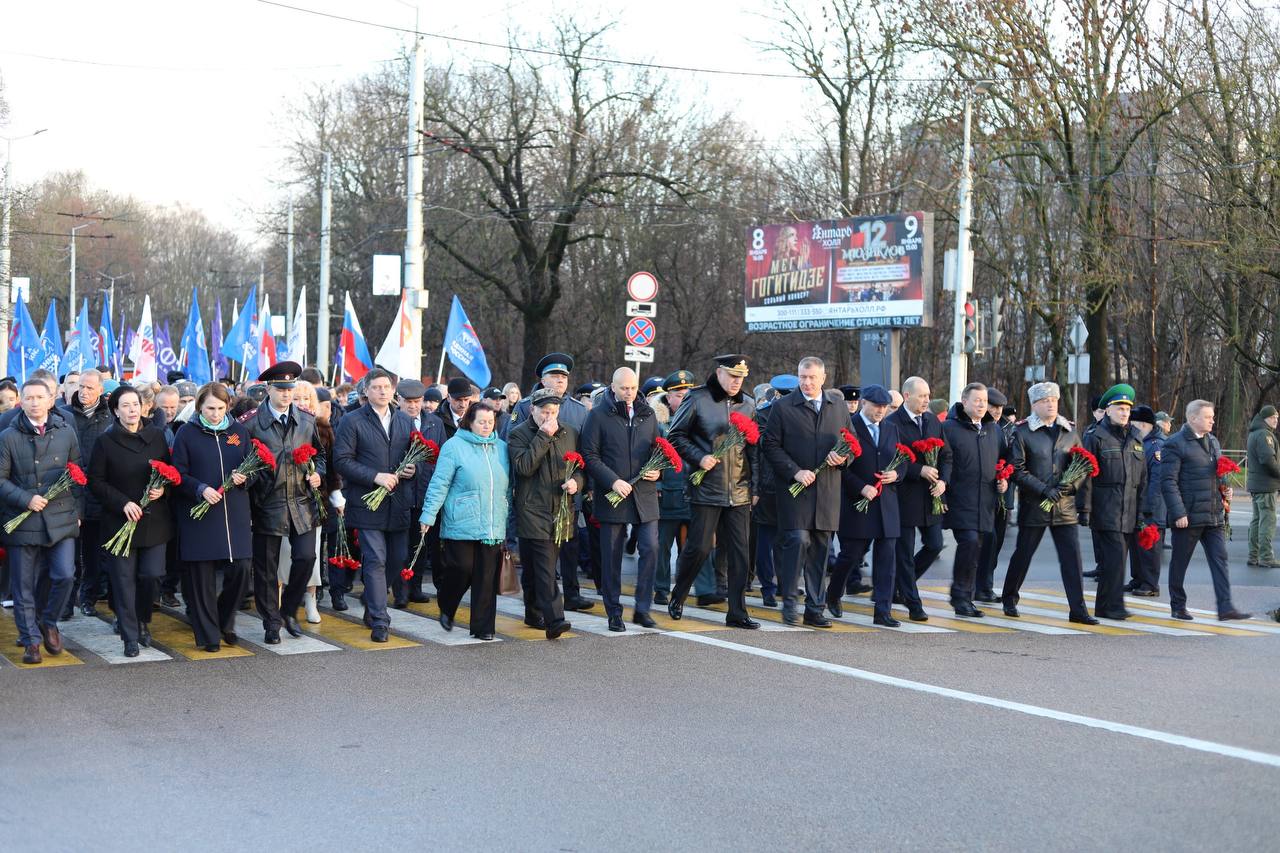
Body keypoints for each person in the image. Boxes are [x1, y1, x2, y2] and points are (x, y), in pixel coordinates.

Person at [666, 355, 759, 629]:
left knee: (740, 554)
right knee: (700, 547)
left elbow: (753, 448)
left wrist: (755, 486)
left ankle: (737, 612)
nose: (737, 382)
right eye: (732, 376)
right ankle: (679, 594)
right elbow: (675, 437)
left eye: (741, 377)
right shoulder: (697, 398)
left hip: (739, 490)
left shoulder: (748, 403)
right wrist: (699, 457)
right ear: (719, 373)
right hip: (707, 488)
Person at [999, 382, 1098, 624]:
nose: (1051, 404)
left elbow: (1083, 463)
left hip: (1064, 507)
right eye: (1045, 401)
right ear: (1034, 405)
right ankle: (1009, 598)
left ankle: (1078, 610)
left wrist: (1070, 487)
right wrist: (1043, 489)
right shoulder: (1023, 432)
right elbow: (1017, 470)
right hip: (1035, 505)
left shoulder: (1069, 431)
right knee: (1023, 555)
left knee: (1072, 559)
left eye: (1053, 400)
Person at [88, 385, 173, 657]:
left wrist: (163, 489)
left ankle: (142, 619)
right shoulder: (105, 441)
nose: (132, 410)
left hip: (153, 521)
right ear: (116, 411)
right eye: (125, 405)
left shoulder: (156, 436)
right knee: (123, 581)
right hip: (120, 522)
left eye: (135, 404)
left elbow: (170, 472)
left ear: (143, 407)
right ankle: (129, 636)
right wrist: (122, 502)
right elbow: (95, 481)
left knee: (151, 575)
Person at [0, 379, 81, 664]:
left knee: (64, 575)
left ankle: (48, 621)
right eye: (29, 397)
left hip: (60, 516)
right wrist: (26, 499)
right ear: (21, 401)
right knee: (23, 585)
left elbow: (77, 474)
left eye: (39, 397)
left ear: (50, 400)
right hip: (22, 519)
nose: (34, 402)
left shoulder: (66, 431)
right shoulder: (8, 436)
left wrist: (78, 512)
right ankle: (31, 642)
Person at [762, 358, 848, 626]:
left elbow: (852, 441)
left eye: (812, 377)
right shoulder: (783, 407)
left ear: (823, 378)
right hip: (796, 491)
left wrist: (844, 458)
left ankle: (815, 609)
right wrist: (795, 471)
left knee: (821, 550)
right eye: (802, 377)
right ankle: (789, 603)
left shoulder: (837, 406)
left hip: (827, 491)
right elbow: (770, 445)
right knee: (797, 541)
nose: (807, 382)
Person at [244, 362, 326, 645]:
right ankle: (271, 622)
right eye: (280, 389)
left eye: (290, 389)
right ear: (269, 389)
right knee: (266, 569)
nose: (286, 394)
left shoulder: (306, 420)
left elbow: (320, 455)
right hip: (267, 503)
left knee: (306, 557)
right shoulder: (251, 423)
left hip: (301, 502)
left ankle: (289, 610)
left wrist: (318, 473)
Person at [333, 368, 417, 642]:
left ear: (393, 391)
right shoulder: (352, 420)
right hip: (366, 504)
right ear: (366, 391)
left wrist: (411, 469)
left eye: (386, 387)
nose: (382, 391)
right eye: (376, 387)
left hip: (398, 502)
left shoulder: (405, 420)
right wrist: (374, 476)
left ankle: (372, 598)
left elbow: (412, 455)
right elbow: (341, 460)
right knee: (375, 559)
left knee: (397, 558)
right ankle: (381, 621)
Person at [171, 383, 252, 652]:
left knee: (241, 569)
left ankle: (224, 620)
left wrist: (245, 477)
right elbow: (177, 474)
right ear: (199, 407)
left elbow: (255, 469)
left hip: (234, 513)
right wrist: (200, 489)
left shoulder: (239, 432)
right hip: (200, 514)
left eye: (220, 408)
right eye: (210, 409)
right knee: (201, 578)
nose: (215, 414)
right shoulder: (186, 433)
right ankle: (208, 635)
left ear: (228, 406)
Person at [509, 354, 593, 610]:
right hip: (534, 500)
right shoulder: (524, 406)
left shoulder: (578, 411)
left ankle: (572, 594)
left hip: (565, 498)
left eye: (563, 377)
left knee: (569, 548)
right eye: (554, 376)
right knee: (541, 563)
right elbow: (515, 456)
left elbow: (582, 458)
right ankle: (547, 611)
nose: (560, 381)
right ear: (542, 379)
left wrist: (579, 484)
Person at [419, 401, 510, 640]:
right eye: (481, 422)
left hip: (492, 521)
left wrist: (508, 512)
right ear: (469, 421)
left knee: (486, 577)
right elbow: (440, 483)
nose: (486, 426)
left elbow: (508, 486)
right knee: (461, 568)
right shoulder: (454, 446)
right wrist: (429, 514)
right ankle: (447, 605)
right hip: (461, 519)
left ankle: (483, 628)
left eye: (490, 422)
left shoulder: (501, 447)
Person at [581, 367, 662, 631]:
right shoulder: (598, 415)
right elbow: (589, 455)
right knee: (611, 556)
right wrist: (612, 481)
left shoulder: (648, 414)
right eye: (624, 388)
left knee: (650, 548)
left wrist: (658, 471)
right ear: (613, 387)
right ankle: (614, 612)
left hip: (644, 494)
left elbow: (658, 449)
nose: (629, 393)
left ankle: (642, 609)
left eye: (633, 388)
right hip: (612, 494)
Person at [1161, 400, 1252, 621]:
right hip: (1188, 516)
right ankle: (1178, 606)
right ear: (1193, 418)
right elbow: (1168, 482)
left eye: (1212, 416)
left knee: (1220, 560)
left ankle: (1225, 607)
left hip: (1213, 515)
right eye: (1208, 417)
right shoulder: (1175, 444)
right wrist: (1178, 513)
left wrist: (1225, 489)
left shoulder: (1213, 441)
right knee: (1180, 562)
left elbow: (1217, 472)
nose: (1212, 420)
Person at [506, 387, 579, 637]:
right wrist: (543, 435)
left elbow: (579, 467)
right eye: (544, 412)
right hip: (532, 510)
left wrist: (577, 482)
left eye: (554, 412)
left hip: (561, 509)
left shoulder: (569, 432)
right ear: (532, 410)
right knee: (546, 568)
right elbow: (524, 467)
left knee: (533, 568)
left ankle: (533, 611)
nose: (549, 417)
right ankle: (555, 620)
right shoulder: (518, 434)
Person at [828, 384, 902, 625]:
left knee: (887, 560)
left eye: (884, 407)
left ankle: (883, 612)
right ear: (863, 403)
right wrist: (860, 487)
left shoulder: (891, 429)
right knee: (851, 555)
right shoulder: (850, 426)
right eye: (876, 406)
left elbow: (902, 460)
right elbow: (841, 468)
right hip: (857, 503)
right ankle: (833, 594)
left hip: (886, 505)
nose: (881, 411)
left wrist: (897, 474)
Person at [1077, 384, 1147, 619]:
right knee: (1115, 558)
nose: (1124, 413)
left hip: (1129, 510)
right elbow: (1085, 474)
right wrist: (1084, 508)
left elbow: (1142, 479)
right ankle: (1113, 606)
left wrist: (1142, 513)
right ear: (1107, 410)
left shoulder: (1136, 437)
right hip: (1105, 508)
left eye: (1127, 409)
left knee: (1115, 561)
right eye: (1119, 408)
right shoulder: (1095, 436)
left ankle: (1105, 606)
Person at [888, 376, 948, 620]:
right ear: (907, 396)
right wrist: (918, 470)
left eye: (928, 396)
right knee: (904, 554)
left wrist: (944, 481)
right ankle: (914, 604)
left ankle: (899, 585)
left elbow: (947, 455)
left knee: (934, 544)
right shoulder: (893, 423)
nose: (926, 400)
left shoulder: (932, 420)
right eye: (922, 396)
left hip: (931, 496)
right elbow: (892, 459)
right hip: (904, 496)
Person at [61, 367, 112, 619]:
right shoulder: (64, 415)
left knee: (92, 553)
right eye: (81, 386)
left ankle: (88, 597)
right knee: (68, 555)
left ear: (100, 390)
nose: (83, 391)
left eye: (90, 387)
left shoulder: (109, 418)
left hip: (95, 495)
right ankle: (65, 603)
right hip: (66, 494)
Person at [393, 378, 446, 606]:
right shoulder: (393, 421)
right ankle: (400, 591)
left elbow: (441, 457)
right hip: (399, 494)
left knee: (420, 543)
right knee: (400, 546)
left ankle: (415, 587)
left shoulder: (434, 423)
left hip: (424, 492)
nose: (413, 406)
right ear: (399, 400)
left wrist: (422, 471)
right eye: (408, 401)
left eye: (417, 401)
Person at [751, 373, 799, 608]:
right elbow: (757, 455)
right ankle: (768, 587)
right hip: (769, 486)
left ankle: (784, 584)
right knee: (767, 539)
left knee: (788, 537)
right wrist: (755, 487)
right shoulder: (763, 415)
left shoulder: (802, 413)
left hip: (793, 485)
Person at [975, 388, 1015, 601]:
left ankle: (986, 586)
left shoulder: (1010, 428)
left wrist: (1006, 478)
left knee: (995, 544)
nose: (997, 411)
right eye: (993, 406)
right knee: (984, 542)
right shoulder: (980, 426)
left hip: (1003, 495)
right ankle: (978, 586)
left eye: (1000, 407)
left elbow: (1014, 459)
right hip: (983, 496)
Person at [1127, 405, 1164, 595]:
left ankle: (1151, 585)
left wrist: (1148, 506)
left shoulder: (1156, 446)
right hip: (1138, 504)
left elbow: (1157, 480)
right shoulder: (1141, 442)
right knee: (1137, 545)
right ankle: (1138, 579)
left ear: (1143, 425)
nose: (1129, 427)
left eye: (1132, 424)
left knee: (1150, 546)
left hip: (1152, 506)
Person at [1245, 404, 1280, 567]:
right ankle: (1266, 557)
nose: (1276, 420)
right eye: (1272, 417)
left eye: (1277, 418)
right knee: (1267, 521)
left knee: (1257, 520)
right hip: (1266, 485)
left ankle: (1253, 556)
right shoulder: (1264, 435)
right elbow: (1268, 460)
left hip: (1258, 484)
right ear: (1264, 418)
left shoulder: (1254, 433)